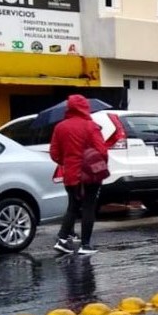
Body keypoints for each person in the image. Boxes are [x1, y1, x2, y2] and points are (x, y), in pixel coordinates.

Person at [50, 95, 108, 255]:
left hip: (70, 174)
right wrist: (96, 161)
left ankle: (62, 239)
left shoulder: (60, 127)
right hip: (89, 174)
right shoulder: (91, 126)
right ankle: (85, 245)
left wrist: (68, 162)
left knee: (73, 207)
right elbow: (102, 150)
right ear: (84, 107)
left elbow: (54, 154)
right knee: (89, 207)